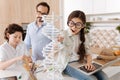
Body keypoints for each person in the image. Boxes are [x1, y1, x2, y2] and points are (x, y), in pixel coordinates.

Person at [62, 10, 109, 80]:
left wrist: (89, 63)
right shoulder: (62, 34)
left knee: (104, 77)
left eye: (78, 24)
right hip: (68, 65)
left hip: (81, 62)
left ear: (83, 25)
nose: (74, 27)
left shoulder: (84, 36)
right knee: (92, 79)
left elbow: (88, 53)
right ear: (68, 22)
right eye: (72, 23)